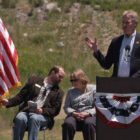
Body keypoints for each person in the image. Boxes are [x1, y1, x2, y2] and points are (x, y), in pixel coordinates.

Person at [1, 65, 65, 140]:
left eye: (62, 78)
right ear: (53, 72)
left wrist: (42, 111)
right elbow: (21, 96)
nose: (61, 79)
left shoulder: (59, 92)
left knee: (34, 118)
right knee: (20, 117)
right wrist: (8, 102)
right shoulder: (34, 80)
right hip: (27, 111)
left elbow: (55, 110)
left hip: (44, 116)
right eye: (60, 76)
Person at [85, 10, 140, 77]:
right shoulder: (116, 41)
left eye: (127, 23)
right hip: (117, 84)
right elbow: (106, 64)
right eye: (123, 23)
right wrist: (96, 50)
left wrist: (132, 79)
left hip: (135, 84)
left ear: (135, 24)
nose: (124, 25)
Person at [62, 69, 96, 140]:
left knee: (89, 124)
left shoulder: (93, 89)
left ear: (82, 79)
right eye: (71, 80)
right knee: (68, 123)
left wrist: (87, 113)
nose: (73, 82)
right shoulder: (70, 91)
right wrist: (73, 113)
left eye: (75, 80)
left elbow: (98, 107)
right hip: (74, 115)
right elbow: (66, 107)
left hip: (90, 116)